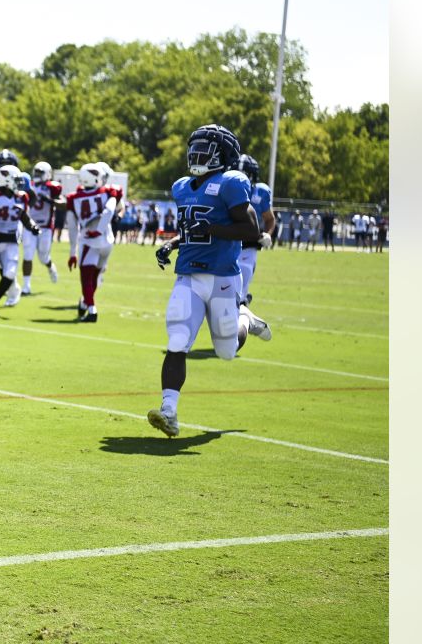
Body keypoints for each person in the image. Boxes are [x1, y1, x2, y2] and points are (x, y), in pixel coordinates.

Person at [148, 125, 263, 438]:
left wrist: (213, 229)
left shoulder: (231, 183)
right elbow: (191, 229)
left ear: (222, 156)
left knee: (226, 350)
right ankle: (168, 411)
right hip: (188, 275)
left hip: (223, 277)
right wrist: (171, 244)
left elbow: (251, 231)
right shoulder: (182, 187)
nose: (196, 154)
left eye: (205, 149)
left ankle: (245, 318)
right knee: (177, 340)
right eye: (194, 148)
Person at [0, 164, 37, 317]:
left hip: (11, 241)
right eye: (16, 180)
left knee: (10, 274)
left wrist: (32, 225)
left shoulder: (22, 197)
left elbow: (24, 216)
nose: (19, 183)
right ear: (7, 181)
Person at [65, 163, 122, 322]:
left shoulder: (73, 197)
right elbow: (109, 210)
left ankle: (92, 310)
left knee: (86, 278)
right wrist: (101, 228)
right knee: (95, 277)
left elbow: (72, 227)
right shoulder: (108, 191)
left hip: (90, 241)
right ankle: (85, 303)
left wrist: (72, 252)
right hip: (107, 240)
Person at [233, 155, 274, 339]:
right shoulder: (227, 187)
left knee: (237, 290)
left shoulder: (260, 191)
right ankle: (247, 315)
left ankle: (243, 316)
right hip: (229, 242)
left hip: (249, 245)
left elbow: (269, 219)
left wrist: (268, 234)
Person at [21, 162, 63, 294]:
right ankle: (26, 286)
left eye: (40, 173)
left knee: (43, 257)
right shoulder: (29, 186)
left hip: (45, 227)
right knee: (28, 254)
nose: (37, 175)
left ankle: (50, 266)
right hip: (30, 225)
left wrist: (50, 200)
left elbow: (63, 204)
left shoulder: (52, 188)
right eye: (36, 172)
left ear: (47, 174)